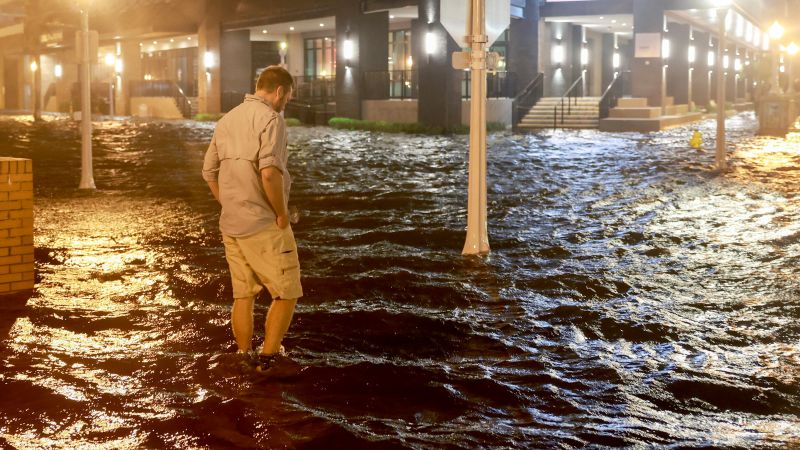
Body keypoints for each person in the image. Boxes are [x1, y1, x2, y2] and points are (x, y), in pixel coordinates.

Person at [202, 65, 303, 378]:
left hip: (231, 223)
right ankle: (268, 359)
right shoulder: (272, 119)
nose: (286, 103)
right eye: (287, 97)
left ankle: (243, 355)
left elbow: (208, 172)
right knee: (287, 292)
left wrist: (228, 203)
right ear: (278, 91)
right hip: (262, 224)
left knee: (243, 295)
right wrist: (281, 213)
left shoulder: (226, 119)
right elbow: (270, 172)